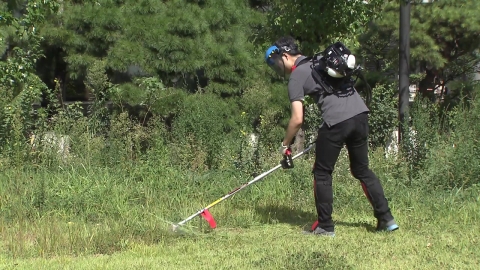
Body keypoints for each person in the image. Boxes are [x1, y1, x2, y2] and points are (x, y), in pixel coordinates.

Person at [264, 36, 398, 236]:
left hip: (337, 122)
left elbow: (297, 119)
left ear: (285, 56)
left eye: (276, 64)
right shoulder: (321, 61)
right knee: (362, 170)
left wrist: (285, 144)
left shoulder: (296, 76)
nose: (278, 69)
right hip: (360, 115)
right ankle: (386, 219)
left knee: (322, 173)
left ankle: (325, 226)